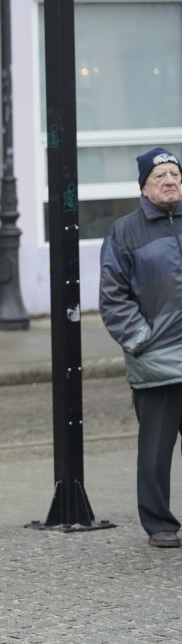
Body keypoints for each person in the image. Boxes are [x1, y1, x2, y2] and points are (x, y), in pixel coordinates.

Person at [99, 147, 182, 549]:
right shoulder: (125, 232)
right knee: (155, 451)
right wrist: (141, 342)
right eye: (160, 176)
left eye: (175, 174)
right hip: (157, 361)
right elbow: (112, 297)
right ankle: (160, 523)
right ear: (144, 187)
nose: (170, 181)